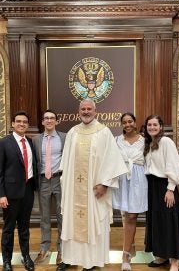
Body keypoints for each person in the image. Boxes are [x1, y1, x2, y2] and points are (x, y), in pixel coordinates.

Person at [56, 99, 129, 271]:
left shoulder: (104, 132)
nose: (86, 112)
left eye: (89, 109)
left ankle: (92, 261)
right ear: (78, 111)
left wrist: (105, 184)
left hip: (95, 190)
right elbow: (65, 163)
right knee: (72, 222)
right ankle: (70, 258)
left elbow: (112, 162)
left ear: (95, 111)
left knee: (94, 223)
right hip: (74, 190)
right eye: (83, 109)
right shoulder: (73, 132)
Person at [0, 111, 37, 271]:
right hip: (9, 194)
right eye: (18, 121)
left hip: (28, 191)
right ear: (12, 123)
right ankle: (6, 261)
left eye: (25, 122)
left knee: (25, 227)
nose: (22, 124)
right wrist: (0, 194)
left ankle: (26, 257)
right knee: (9, 228)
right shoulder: (3, 143)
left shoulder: (31, 142)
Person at [143, 115, 179, 271]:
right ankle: (162, 256)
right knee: (157, 222)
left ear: (160, 126)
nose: (152, 127)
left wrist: (170, 189)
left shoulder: (167, 142)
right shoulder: (149, 143)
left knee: (169, 222)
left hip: (165, 185)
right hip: (152, 186)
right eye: (149, 125)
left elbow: (173, 165)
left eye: (155, 125)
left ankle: (174, 261)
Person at [112, 113, 148, 271]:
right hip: (122, 179)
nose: (127, 124)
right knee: (126, 216)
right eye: (124, 122)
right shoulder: (116, 140)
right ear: (122, 124)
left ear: (135, 122)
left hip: (139, 179)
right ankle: (129, 247)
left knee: (133, 216)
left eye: (130, 121)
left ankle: (126, 254)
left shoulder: (144, 141)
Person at [32, 110, 66, 265]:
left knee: (61, 215)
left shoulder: (64, 138)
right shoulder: (36, 140)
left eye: (52, 118)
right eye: (46, 118)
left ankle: (61, 249)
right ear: (43, 122)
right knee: (44, 216)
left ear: (57, 121)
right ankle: (44, 248)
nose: (49, 120)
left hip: (60, 179)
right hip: (43, 181)